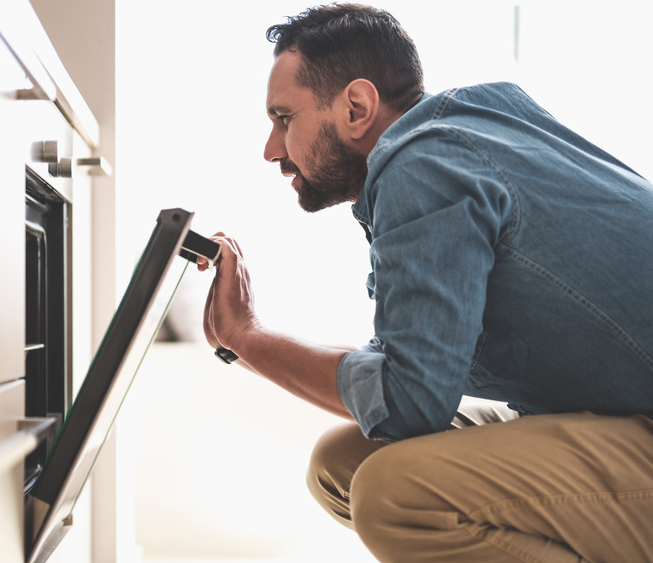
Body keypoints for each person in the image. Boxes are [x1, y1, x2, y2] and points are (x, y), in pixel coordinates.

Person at [197, 3, 653, 561]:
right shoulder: (472, 127)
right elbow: (410, 370)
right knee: (343, 465)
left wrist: (247, 336)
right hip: (620, 413)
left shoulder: (423, 167)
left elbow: (410, 402)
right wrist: (245, 342)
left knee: (395, 493)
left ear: (357, 106)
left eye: (284, 118)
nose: (271, 149)